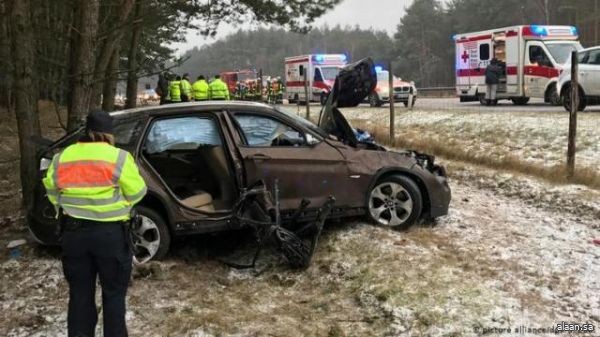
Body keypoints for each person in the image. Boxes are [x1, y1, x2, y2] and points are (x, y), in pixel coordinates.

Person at [43, 110, 147, 337]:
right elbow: (138, 192)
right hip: (110, 236)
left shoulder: (62, 157)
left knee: (79, 294)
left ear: (87, 131)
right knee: (113, 294)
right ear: (109, 134)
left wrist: (68, 204)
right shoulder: (118, 157)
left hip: (74, 235)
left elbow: (51, 190)